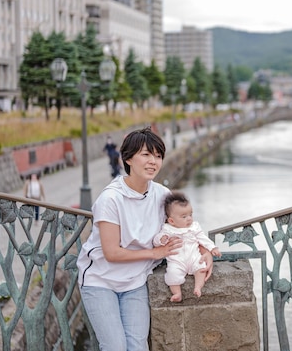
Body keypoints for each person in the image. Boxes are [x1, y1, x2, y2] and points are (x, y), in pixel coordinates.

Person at [76, 127, 214, 351]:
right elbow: (111, 252)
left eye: (158, 156)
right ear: (128, 158)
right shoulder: (110, 199)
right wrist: (154, 253)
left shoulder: (162, 195)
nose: (153, 161)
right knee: (115, 347)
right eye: (146, 154)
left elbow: (184, 226)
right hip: (100, 281)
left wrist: (204, 251)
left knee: (138, 346)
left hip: (135, 281)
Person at [152, 191, 221, 302]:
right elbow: (156, 241)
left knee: (201, 268)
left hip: (194, 257)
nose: (189, 219)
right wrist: (161, 239)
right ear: (171, 221)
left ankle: (198, 287)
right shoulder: (168, 229)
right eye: (184, 217)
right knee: (172, 275)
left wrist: (212, 248)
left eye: (190, 215)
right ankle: (177, 293)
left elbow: (203, 238)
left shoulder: (194, 227)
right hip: (176, 261)